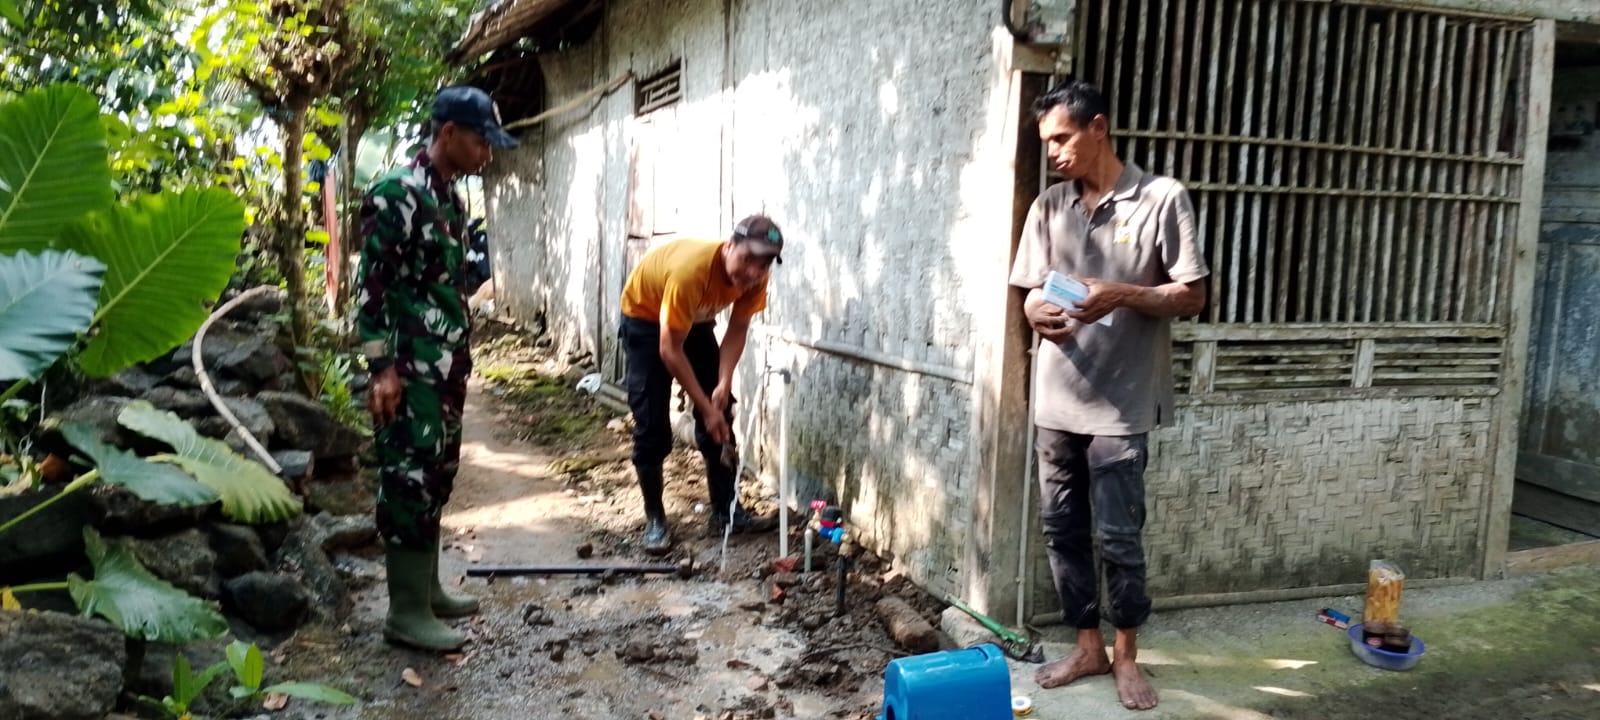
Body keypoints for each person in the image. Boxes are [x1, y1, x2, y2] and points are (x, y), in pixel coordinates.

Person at [1008, 80, 1208, 710]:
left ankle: (1126, 656)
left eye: (1064, 138)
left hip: (1122, 403)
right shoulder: (1048, 206)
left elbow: (1192, 296)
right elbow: (1030, 289)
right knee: (1062, 529)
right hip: (1056, 400)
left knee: (1119, 536)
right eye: (1048, 143)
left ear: (1099, 127)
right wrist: (1036, 310)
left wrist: (1118, 293)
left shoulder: (1160, 198)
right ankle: (1087, 644)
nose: (1056, 152)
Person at [356, 86, 518, 652]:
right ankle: (404, 612)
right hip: (407, 370)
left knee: (435, 474)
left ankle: (427, 592)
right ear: (447, 134)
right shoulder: (397, 194)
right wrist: (381, 369)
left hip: (443, 368)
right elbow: (372, 286)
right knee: (408, 479)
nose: (487, 156)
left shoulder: (447, 197)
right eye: (481, 142)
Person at [618, 216, 784, 555]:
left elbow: (737, 329)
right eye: (748, 258)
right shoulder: (690, 272)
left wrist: (721, 385)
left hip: (694, 322)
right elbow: (669, 349)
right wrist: (704, 408)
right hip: (646, 320)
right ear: (729, 246)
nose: (753, 271)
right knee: (652, 425)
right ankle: (655, 520)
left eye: (764, 263)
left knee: (722, 411)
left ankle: (726, 512)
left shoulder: (755, 280)